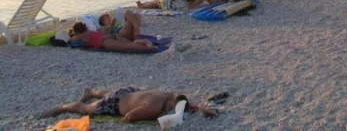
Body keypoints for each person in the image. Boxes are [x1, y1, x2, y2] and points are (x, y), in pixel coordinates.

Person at [40, 87, 218, 122]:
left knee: (110, 94)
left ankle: (92, 93)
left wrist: (203, 109)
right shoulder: (155, 107)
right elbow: (129, 117)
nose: (172, 110)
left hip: (130, 91)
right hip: (116, 103)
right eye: (172, 108)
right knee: (85, 109)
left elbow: (189, 105)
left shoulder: (170, 95)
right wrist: (156, 116)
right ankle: (61, 107)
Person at [68, 22, 157, 53]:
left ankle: (149, 48)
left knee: (127, 47)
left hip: (105, 41)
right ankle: (144, 42)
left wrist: (71, 35)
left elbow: (69, 41)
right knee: (129, 43)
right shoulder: (90, 31)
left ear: (77, 31)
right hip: (112, 36)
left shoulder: (79, 36)